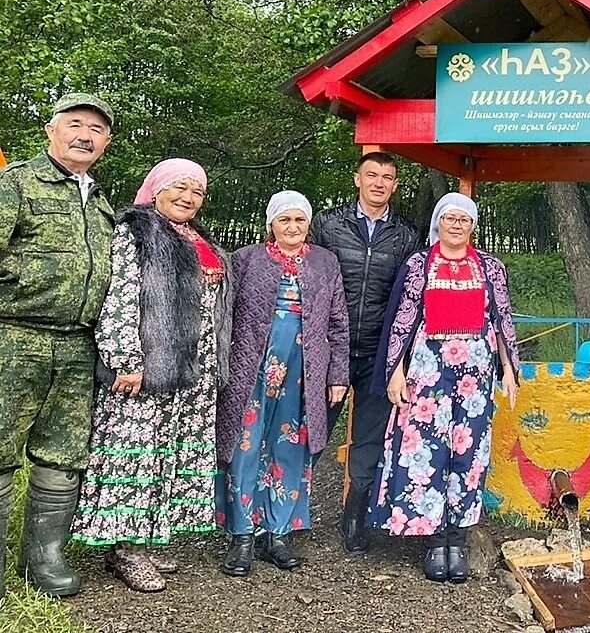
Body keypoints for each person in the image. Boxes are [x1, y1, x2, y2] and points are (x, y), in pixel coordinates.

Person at [70, 159, 231, 592]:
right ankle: (125, 550)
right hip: (148, 368)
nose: (188, 197)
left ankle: (147, 537)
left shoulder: (199, 239)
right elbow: (120, 297)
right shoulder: (135, 232)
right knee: (137, 452)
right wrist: (127, 359)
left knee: (170, 455)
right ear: (155, 189)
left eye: (197, 191)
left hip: (194, 372)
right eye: (179, 188)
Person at [369, 192, 519, 584]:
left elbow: (502, 318)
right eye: (449, 219)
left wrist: (508, 368)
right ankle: (434, 541)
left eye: (464, 220)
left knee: (468, 456)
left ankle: (458, 538)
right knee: (426, 453)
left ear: (472, 226)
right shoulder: (419, 264)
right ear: (439, 222)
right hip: (427, 372)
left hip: (476, 374)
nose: (456, 225)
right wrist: (395, 372)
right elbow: (402, 320)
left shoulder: (490, 267)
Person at [0, 93, 115, 598]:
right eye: (74, 124)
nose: (84, 135)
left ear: (106, 143)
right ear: (51, 131)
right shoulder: (17, 183)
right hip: (15, 337)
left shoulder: (102, 202)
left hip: (76, 347)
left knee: (63, 456)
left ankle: (42, 558)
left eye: (96, 129)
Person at [217, 191, 349, 577]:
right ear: (271, 223)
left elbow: (339, 322)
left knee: (292, 445)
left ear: (308, 224)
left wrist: (338, 374)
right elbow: (225, 316)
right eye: (284, 220)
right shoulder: (246, 259)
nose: (293, 228)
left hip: (305, 369)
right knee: (246, 445)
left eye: (300, 220)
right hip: (251, 366)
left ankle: (278, 533)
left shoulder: (325, 262)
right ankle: (242, 534)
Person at [310, 151, 419, 556]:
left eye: (387, 177)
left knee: (370, 438)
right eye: (371, 175)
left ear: (394, 184)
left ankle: (355, 514)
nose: (378, 183)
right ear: (357, 178)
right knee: (311, 430)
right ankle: (286, 510)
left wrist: (402, 356)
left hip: (380, 350)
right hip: (330, 346)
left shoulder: (407, 234)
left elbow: (411, 295)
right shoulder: (327, 224)